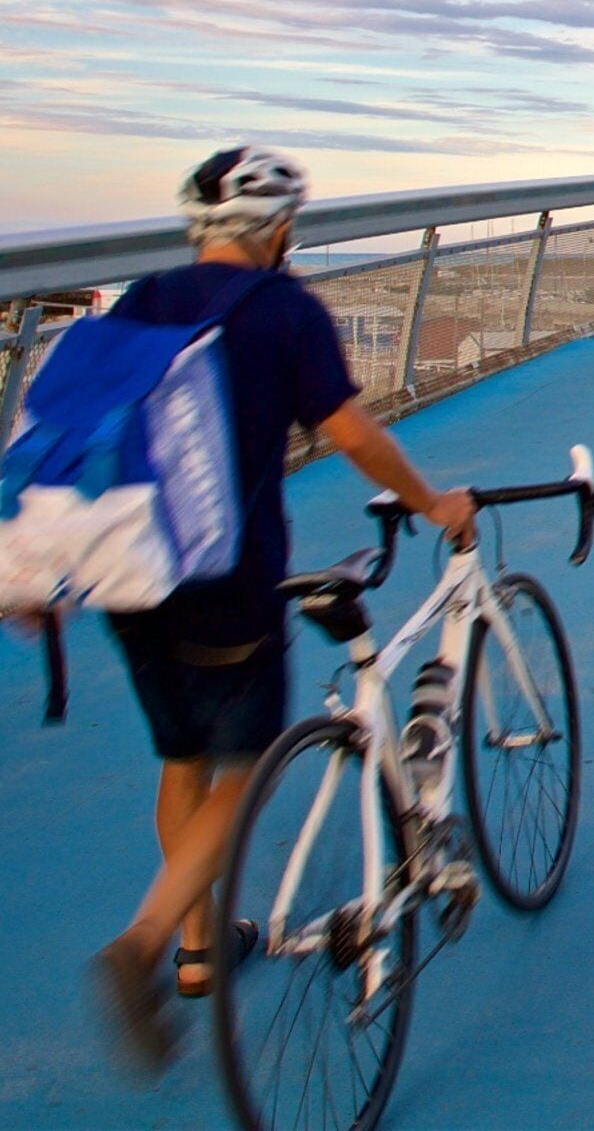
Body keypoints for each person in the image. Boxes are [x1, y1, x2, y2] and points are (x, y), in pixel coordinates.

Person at [86, 146, 477, 1073]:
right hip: (228, 583)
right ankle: (143, 942)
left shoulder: (142, 299)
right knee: (244, 768)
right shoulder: (286, 310)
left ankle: (197, 952)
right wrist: (430, 502)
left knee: (183, 758)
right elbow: (349, 432)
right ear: (278, 230)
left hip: (131, 578)